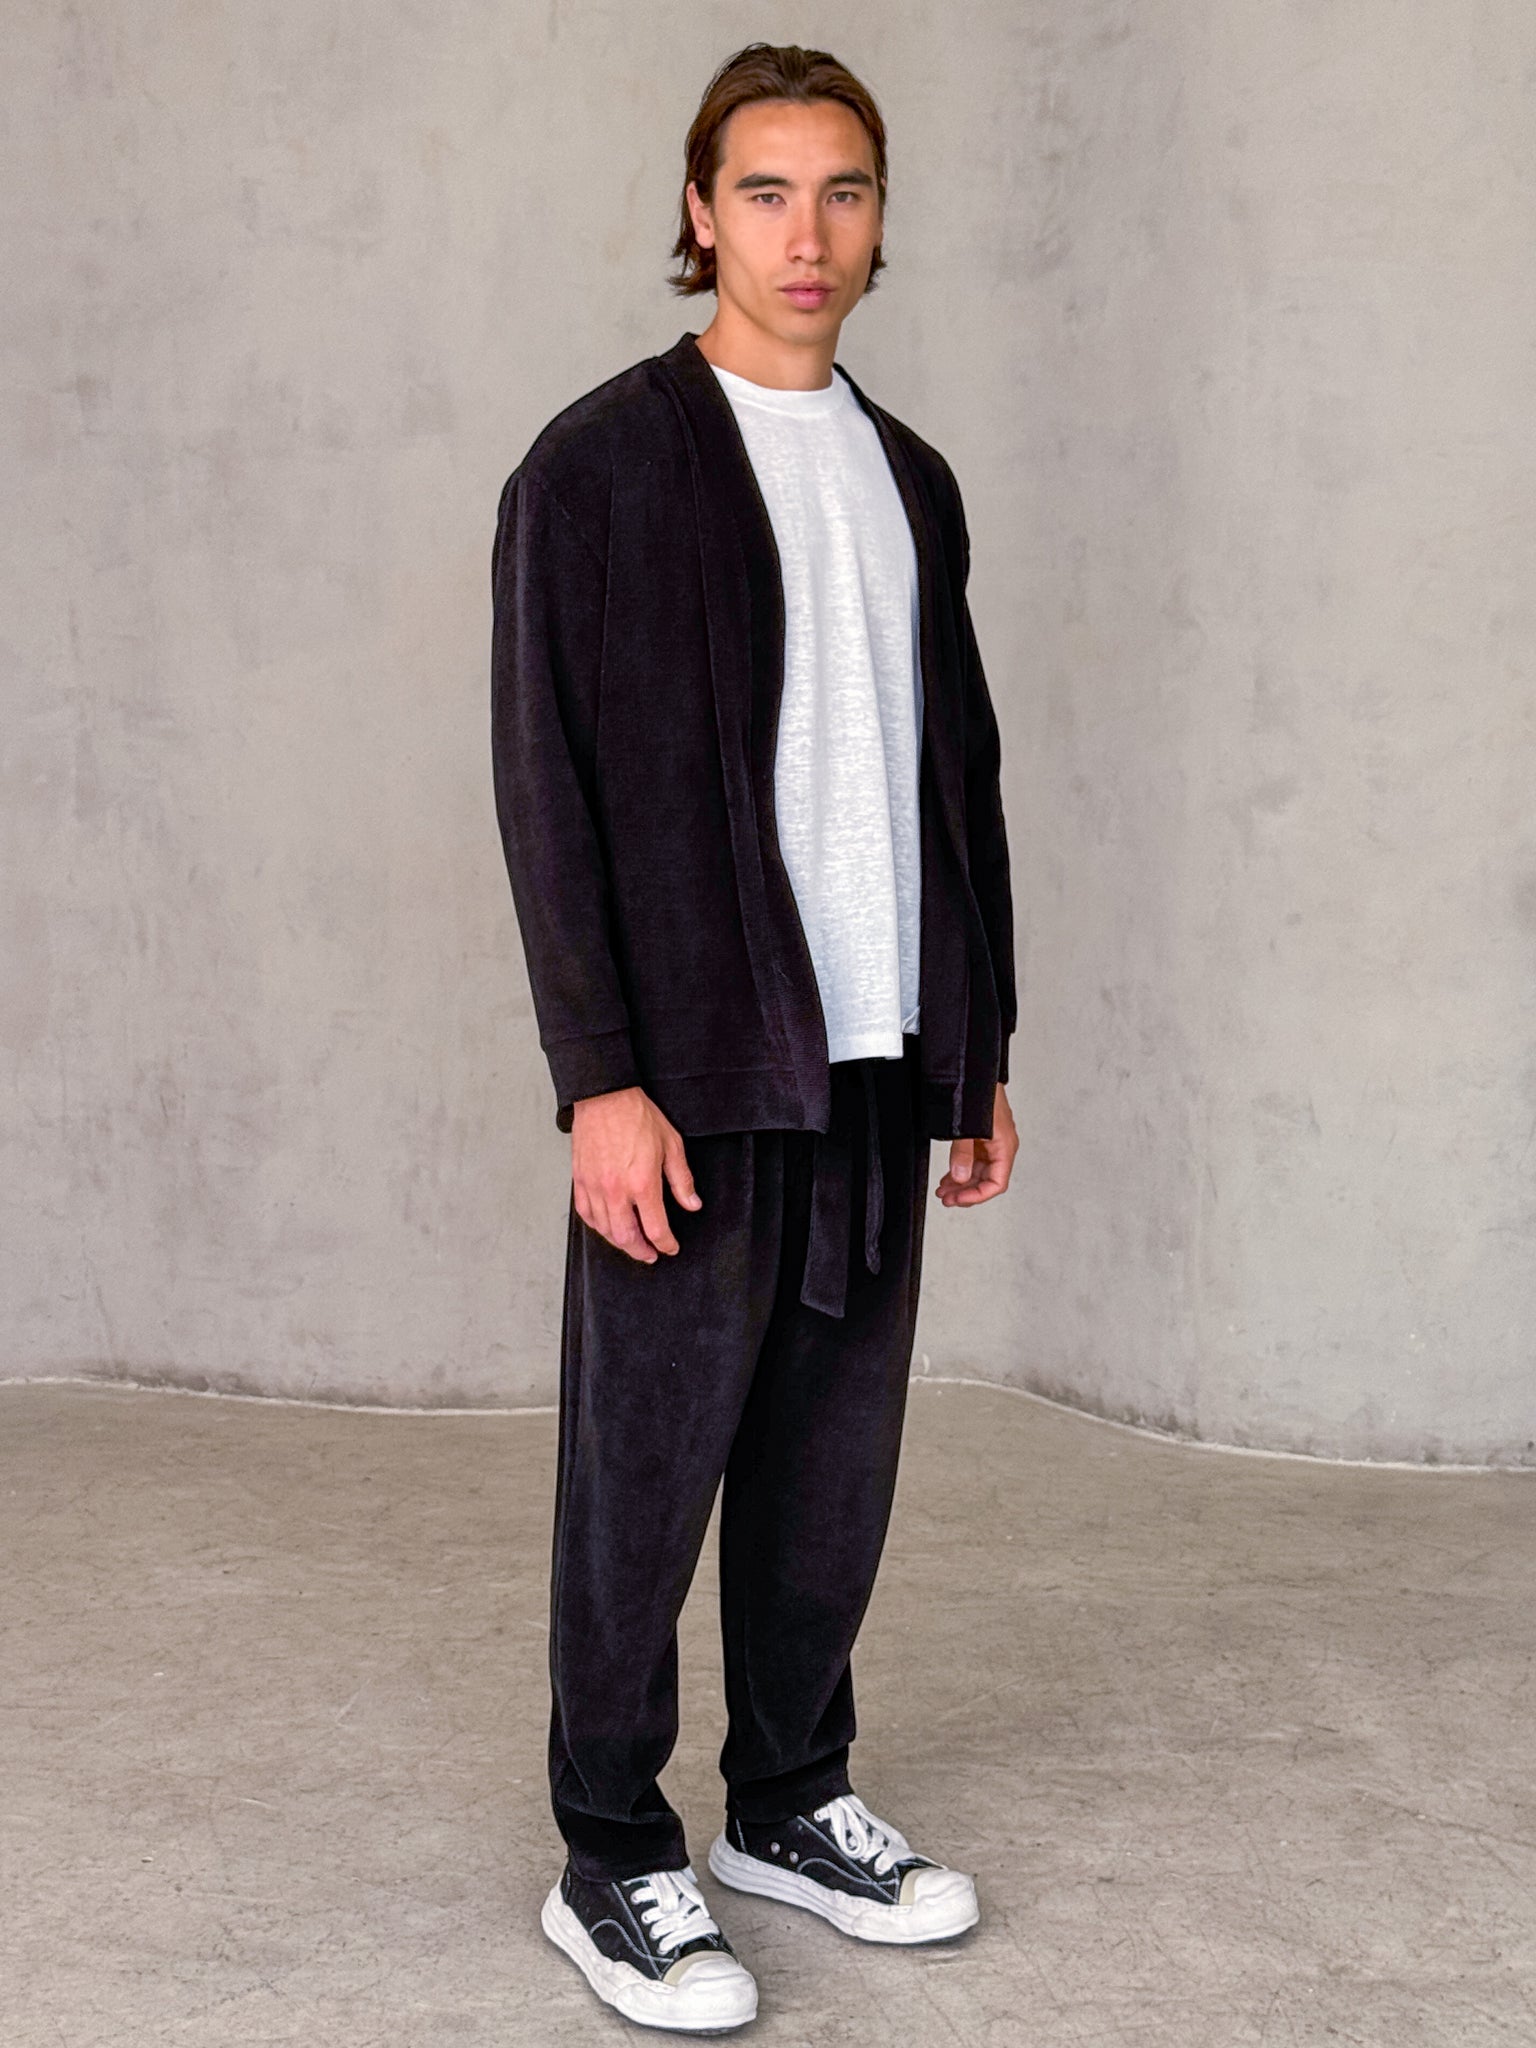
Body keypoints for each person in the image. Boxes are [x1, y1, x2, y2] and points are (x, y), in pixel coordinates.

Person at [490, 40, 1019, 2034]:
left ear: (881, 220)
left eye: (845, 192)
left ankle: (788, 1800)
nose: (811, 234)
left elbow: (958, 774)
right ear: (700, 213)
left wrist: (978, 1041)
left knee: (829, 1467)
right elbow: (544, 787)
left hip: (879, 1051)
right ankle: (610, 1850)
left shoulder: (912, 478)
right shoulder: (598, 468)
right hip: (692, 1066)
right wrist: (597, 1076)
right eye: (770, 192)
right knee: (645, 1472)